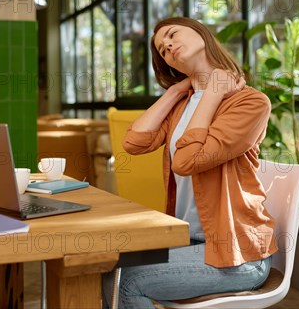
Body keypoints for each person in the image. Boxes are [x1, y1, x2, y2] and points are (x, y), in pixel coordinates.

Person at [103, 17, 276, 308]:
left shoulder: (250, 103)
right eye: (161, 50)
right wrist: (173, 92)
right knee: (108, 269)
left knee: (127, 281)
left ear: (201, 34)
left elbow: (186, 161)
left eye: (171, 35)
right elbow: (134, 143)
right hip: (188, 242)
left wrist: (213, 91)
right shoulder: (182, 103)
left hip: (237, 253)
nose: (167, 46)